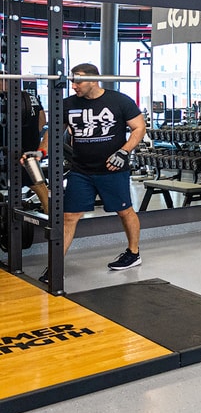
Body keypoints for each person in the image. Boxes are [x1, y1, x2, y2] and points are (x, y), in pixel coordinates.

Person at [41, 63, 147, 276]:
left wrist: (124, 152)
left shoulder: (119, 100)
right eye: (72, 81)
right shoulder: (68, 104)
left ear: (93, 80)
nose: (74, 86)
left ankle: (134, 253)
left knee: (124, 211)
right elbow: (52, 131)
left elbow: (139, 127)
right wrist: (41, 151)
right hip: (81, 171)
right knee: (69, 216)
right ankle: (55, 267)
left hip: (112, 170)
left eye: (78, 81)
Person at [4, 84, 50, 212]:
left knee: (39, 187)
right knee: (41, 188)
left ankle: (54, 220)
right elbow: (42, 121)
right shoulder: (30, 96)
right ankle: (53, 220)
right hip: (30, 152)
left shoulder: (5, 100)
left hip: (12, 152)